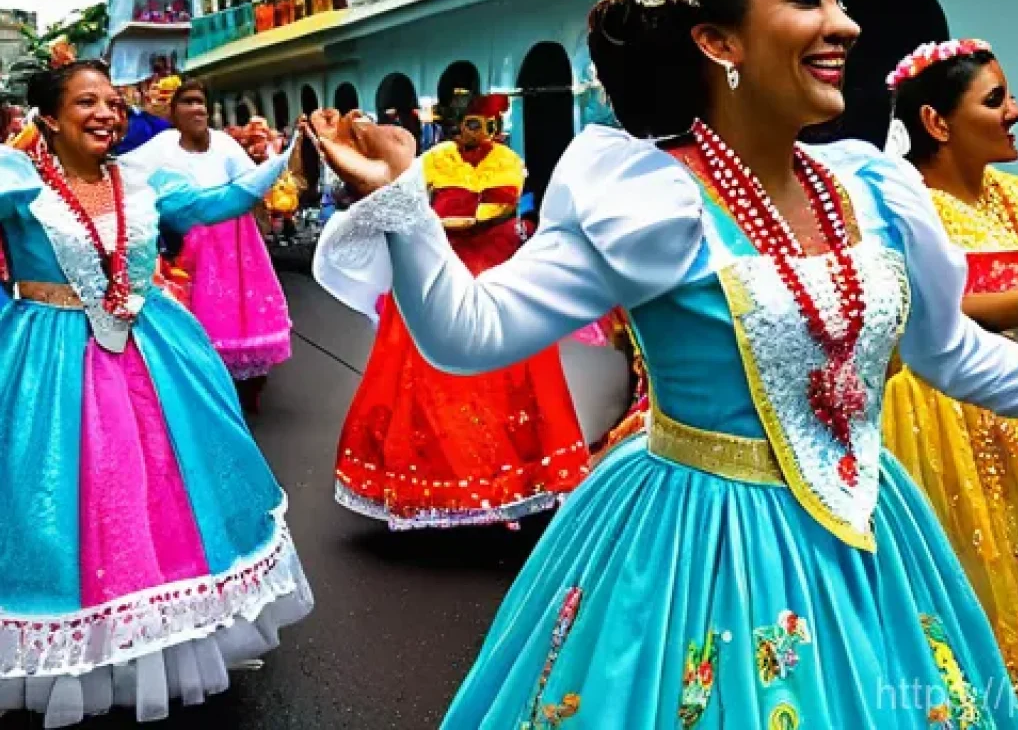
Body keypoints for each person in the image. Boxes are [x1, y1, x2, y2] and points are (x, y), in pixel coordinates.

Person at [309, 0, 1018, 727]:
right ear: (718, 40)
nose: (846, 22)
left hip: (873, 538)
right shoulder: (647, 198)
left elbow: (951, 353)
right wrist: (403, 203)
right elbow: (471, 332)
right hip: (701, 548)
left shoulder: (874, 190)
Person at [0, 60, 311, 726]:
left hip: (152, 353)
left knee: (169, 496)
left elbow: (220, 202)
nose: (107, 114)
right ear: (49, 118)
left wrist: (290, 150)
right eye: (87, 102)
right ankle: (72, 647)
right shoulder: (16, 177)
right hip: (47, 361)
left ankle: (159, 642)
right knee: (68, 502)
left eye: (113, 102)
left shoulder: (141, 180)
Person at [318, 94, 588, 530]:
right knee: (422, 369)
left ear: (495, 126)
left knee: (504, 365)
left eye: (480, 123)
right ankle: (439, 482)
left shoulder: (505, 161)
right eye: (465, 123)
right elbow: (404, 197)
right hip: (436, 262)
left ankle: (506, 482)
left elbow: (493, 213)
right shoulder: (435, 159)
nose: (471, 131)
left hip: (490, 265)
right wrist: (407, 215)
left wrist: (420, 224)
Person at [883, 38, 1018, 695]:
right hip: (946, 418)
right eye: (995, 99)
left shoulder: (1010, 196)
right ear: (936, 123)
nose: (1015, 112)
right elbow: (938, 317)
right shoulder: (909, 208)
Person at [122, 81, 293, 414]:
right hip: (188, 245)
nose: (196, 109)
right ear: (173, 113)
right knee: (199, 311)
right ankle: (206, 385)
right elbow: (126, 172)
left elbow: (251, 184)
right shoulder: (161, 146)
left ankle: (248, 388)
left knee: (244, 308)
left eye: (200, 102)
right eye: (187, 102)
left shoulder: (226, 144)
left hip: (237, 242)